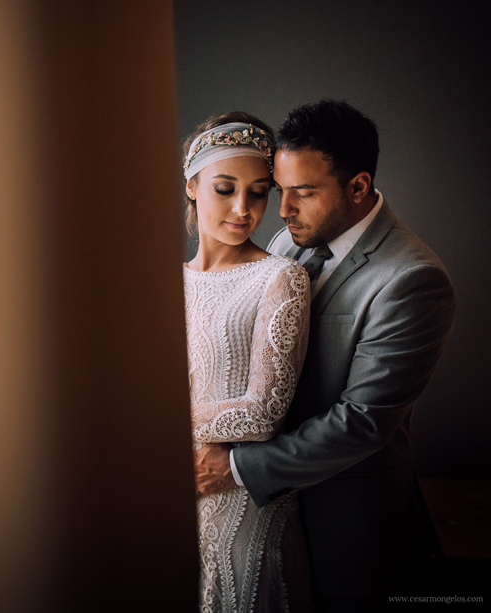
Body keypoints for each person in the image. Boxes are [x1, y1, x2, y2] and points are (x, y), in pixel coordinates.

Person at [193, 100, 456, 612]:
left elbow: (361, 422)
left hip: (347, 527)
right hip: (269, 518)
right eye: (281, 191)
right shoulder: (287, 245)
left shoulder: (412, 279)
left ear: (358, 187)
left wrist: (234, 468)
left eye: (303, 194)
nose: (282, 209)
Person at [182, 112, 312, 612]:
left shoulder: (280, 279)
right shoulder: (165, 282)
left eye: (258, 192)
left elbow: (262, 413)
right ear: (192, 186)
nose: (242, 208)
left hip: (242, 501)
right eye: (224, 188)